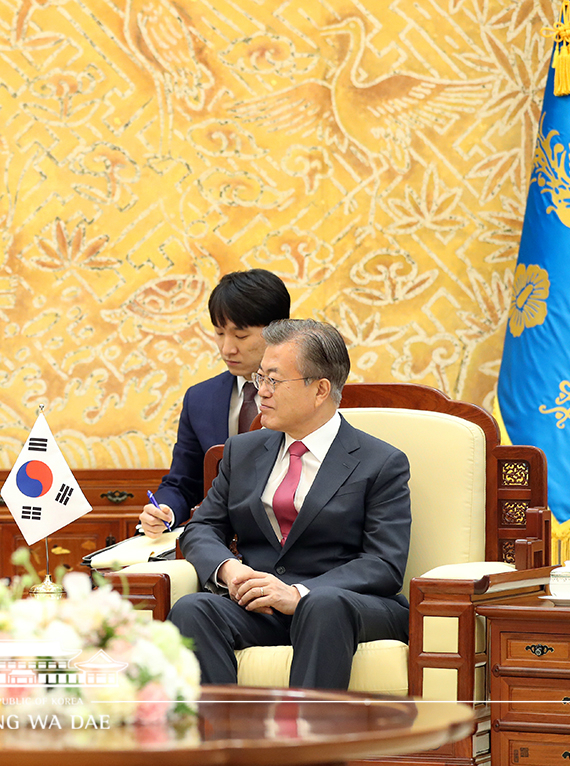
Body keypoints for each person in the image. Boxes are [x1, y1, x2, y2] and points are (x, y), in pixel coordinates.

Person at [168, 318, 411, 689]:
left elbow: (384, 564)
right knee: (192, 609)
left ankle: (305, 743)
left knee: (323, 605)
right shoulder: (242, 452)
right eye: (259, 378)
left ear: (320, 390)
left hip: (345, 607)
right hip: (262, 607)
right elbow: (202, 527)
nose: (261, 392)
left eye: (274, 380)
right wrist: (231, 571)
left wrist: (298, 593)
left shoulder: (380, 462)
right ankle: (224, 741)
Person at [139, 269, 291, 536]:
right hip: (221, 541)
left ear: (277, 330)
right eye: (220, 333)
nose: (227, 348)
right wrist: (164, 510)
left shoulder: (304, 393)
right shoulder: (200, 399)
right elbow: (183, 483)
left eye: (240, 336)